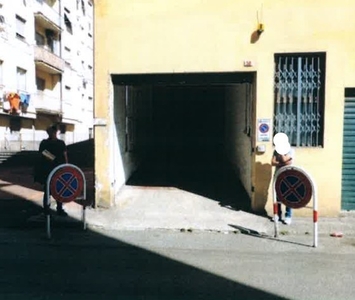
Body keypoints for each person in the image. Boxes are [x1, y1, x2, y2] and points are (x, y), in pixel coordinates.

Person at [34, 125, 68, 216]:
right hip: (47, 169)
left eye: (53, 132)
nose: (51, 134)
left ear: (55, 132)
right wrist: (54, 159)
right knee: (47, 189)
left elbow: (65, 154)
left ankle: (59, 208)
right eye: (50, 132)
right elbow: (43, 153)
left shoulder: (61, 143)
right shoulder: (44, 143)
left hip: (58, 168)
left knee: (59, 189)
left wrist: (65, 166)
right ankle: (46, 209)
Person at [271, 138, 295, 225]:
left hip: (288, 176)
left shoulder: (291, 150)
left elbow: (287, 161)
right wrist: (281, 163)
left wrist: (281, 155)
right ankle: (277, 214)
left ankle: (288, 216)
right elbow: (273, 162)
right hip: (278, 175)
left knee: (288, 196)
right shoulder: (275, 151)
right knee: (278, 196)